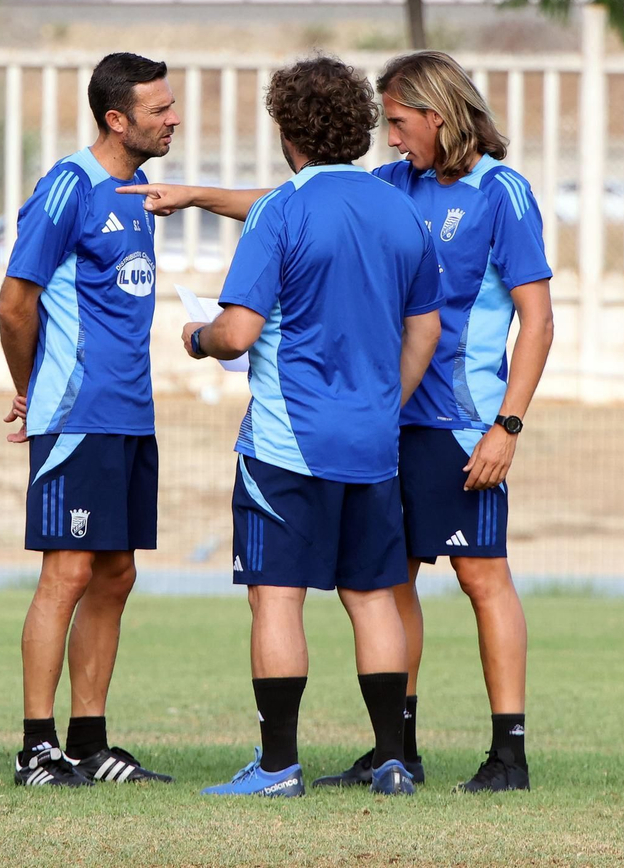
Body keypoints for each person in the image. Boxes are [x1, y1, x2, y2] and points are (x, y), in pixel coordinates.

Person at [120, 50, 553, 794]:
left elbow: (537, 320)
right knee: (386, 586)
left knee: (475, 578)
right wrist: (194, 195)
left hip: (452, 419)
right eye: (382, 122)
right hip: (384, 427)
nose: (392, 137)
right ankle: (396, 753)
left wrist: (507, 425)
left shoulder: (499, 193)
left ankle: (503, 752)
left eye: (401, 122)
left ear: (438, 114)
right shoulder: (392, 192)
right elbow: (296, 200)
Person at [181, 55, 442, 798]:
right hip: (372, 442)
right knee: (374, 595)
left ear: (286, 128)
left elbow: (238, 333)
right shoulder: (399, 211)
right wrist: (386, 403)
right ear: (361, 125)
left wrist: (198, 337)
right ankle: (393, 760)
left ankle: (276, 767)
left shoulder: (281, 210)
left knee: (277, 594)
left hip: (288, 444)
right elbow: (424, 329)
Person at [0, 52, 179, 788]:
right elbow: (16, 302)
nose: (173, 119)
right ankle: (37, 747)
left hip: (132, 414)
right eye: (158, 110)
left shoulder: (142, 191)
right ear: (116, 118)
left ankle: (91, 740)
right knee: (66, 572)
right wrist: (26, 385)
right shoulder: (67, 187)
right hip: (75, 414)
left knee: (117, 572)